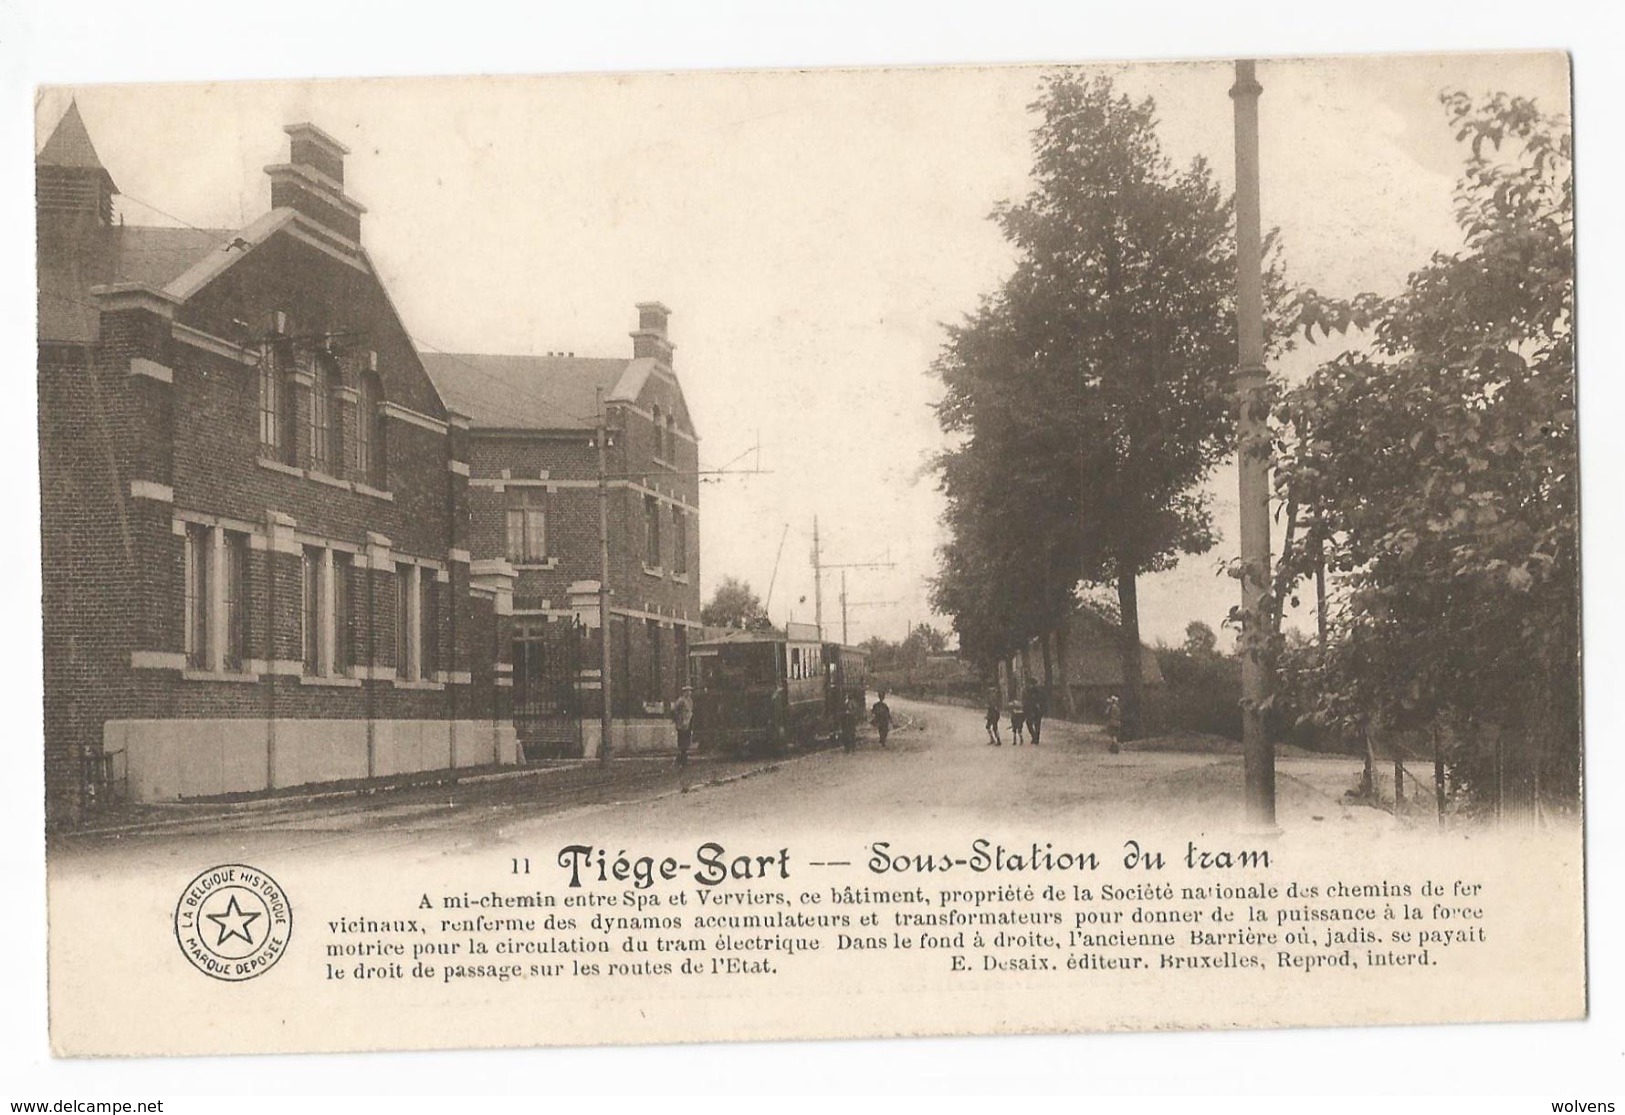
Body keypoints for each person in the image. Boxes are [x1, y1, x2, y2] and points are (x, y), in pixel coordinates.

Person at [672, 685, 695, 766]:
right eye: (687, 691)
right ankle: (681, 759)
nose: (689, 692)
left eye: (690, 691)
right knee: (682, 740)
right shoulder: (681, 700)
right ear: (684, 692)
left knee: (687, 740)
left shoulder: (690, 701)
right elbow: (674, 709)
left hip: (688, 723)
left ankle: (684, 758)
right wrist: (678, 719)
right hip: (682, 724)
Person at [1024, 676, 1046, 746]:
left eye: (1031, 684)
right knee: (1029, 723)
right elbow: (1025, 701)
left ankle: (1036, 739)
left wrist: (1040, 707)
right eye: (1028, 684)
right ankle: (1034, 736)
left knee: (1037, 725)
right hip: (1029, 710)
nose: (1029, 686)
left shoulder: (1038, 692)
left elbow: (1042, 701)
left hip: (1037, 711)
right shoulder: (1026, 691)